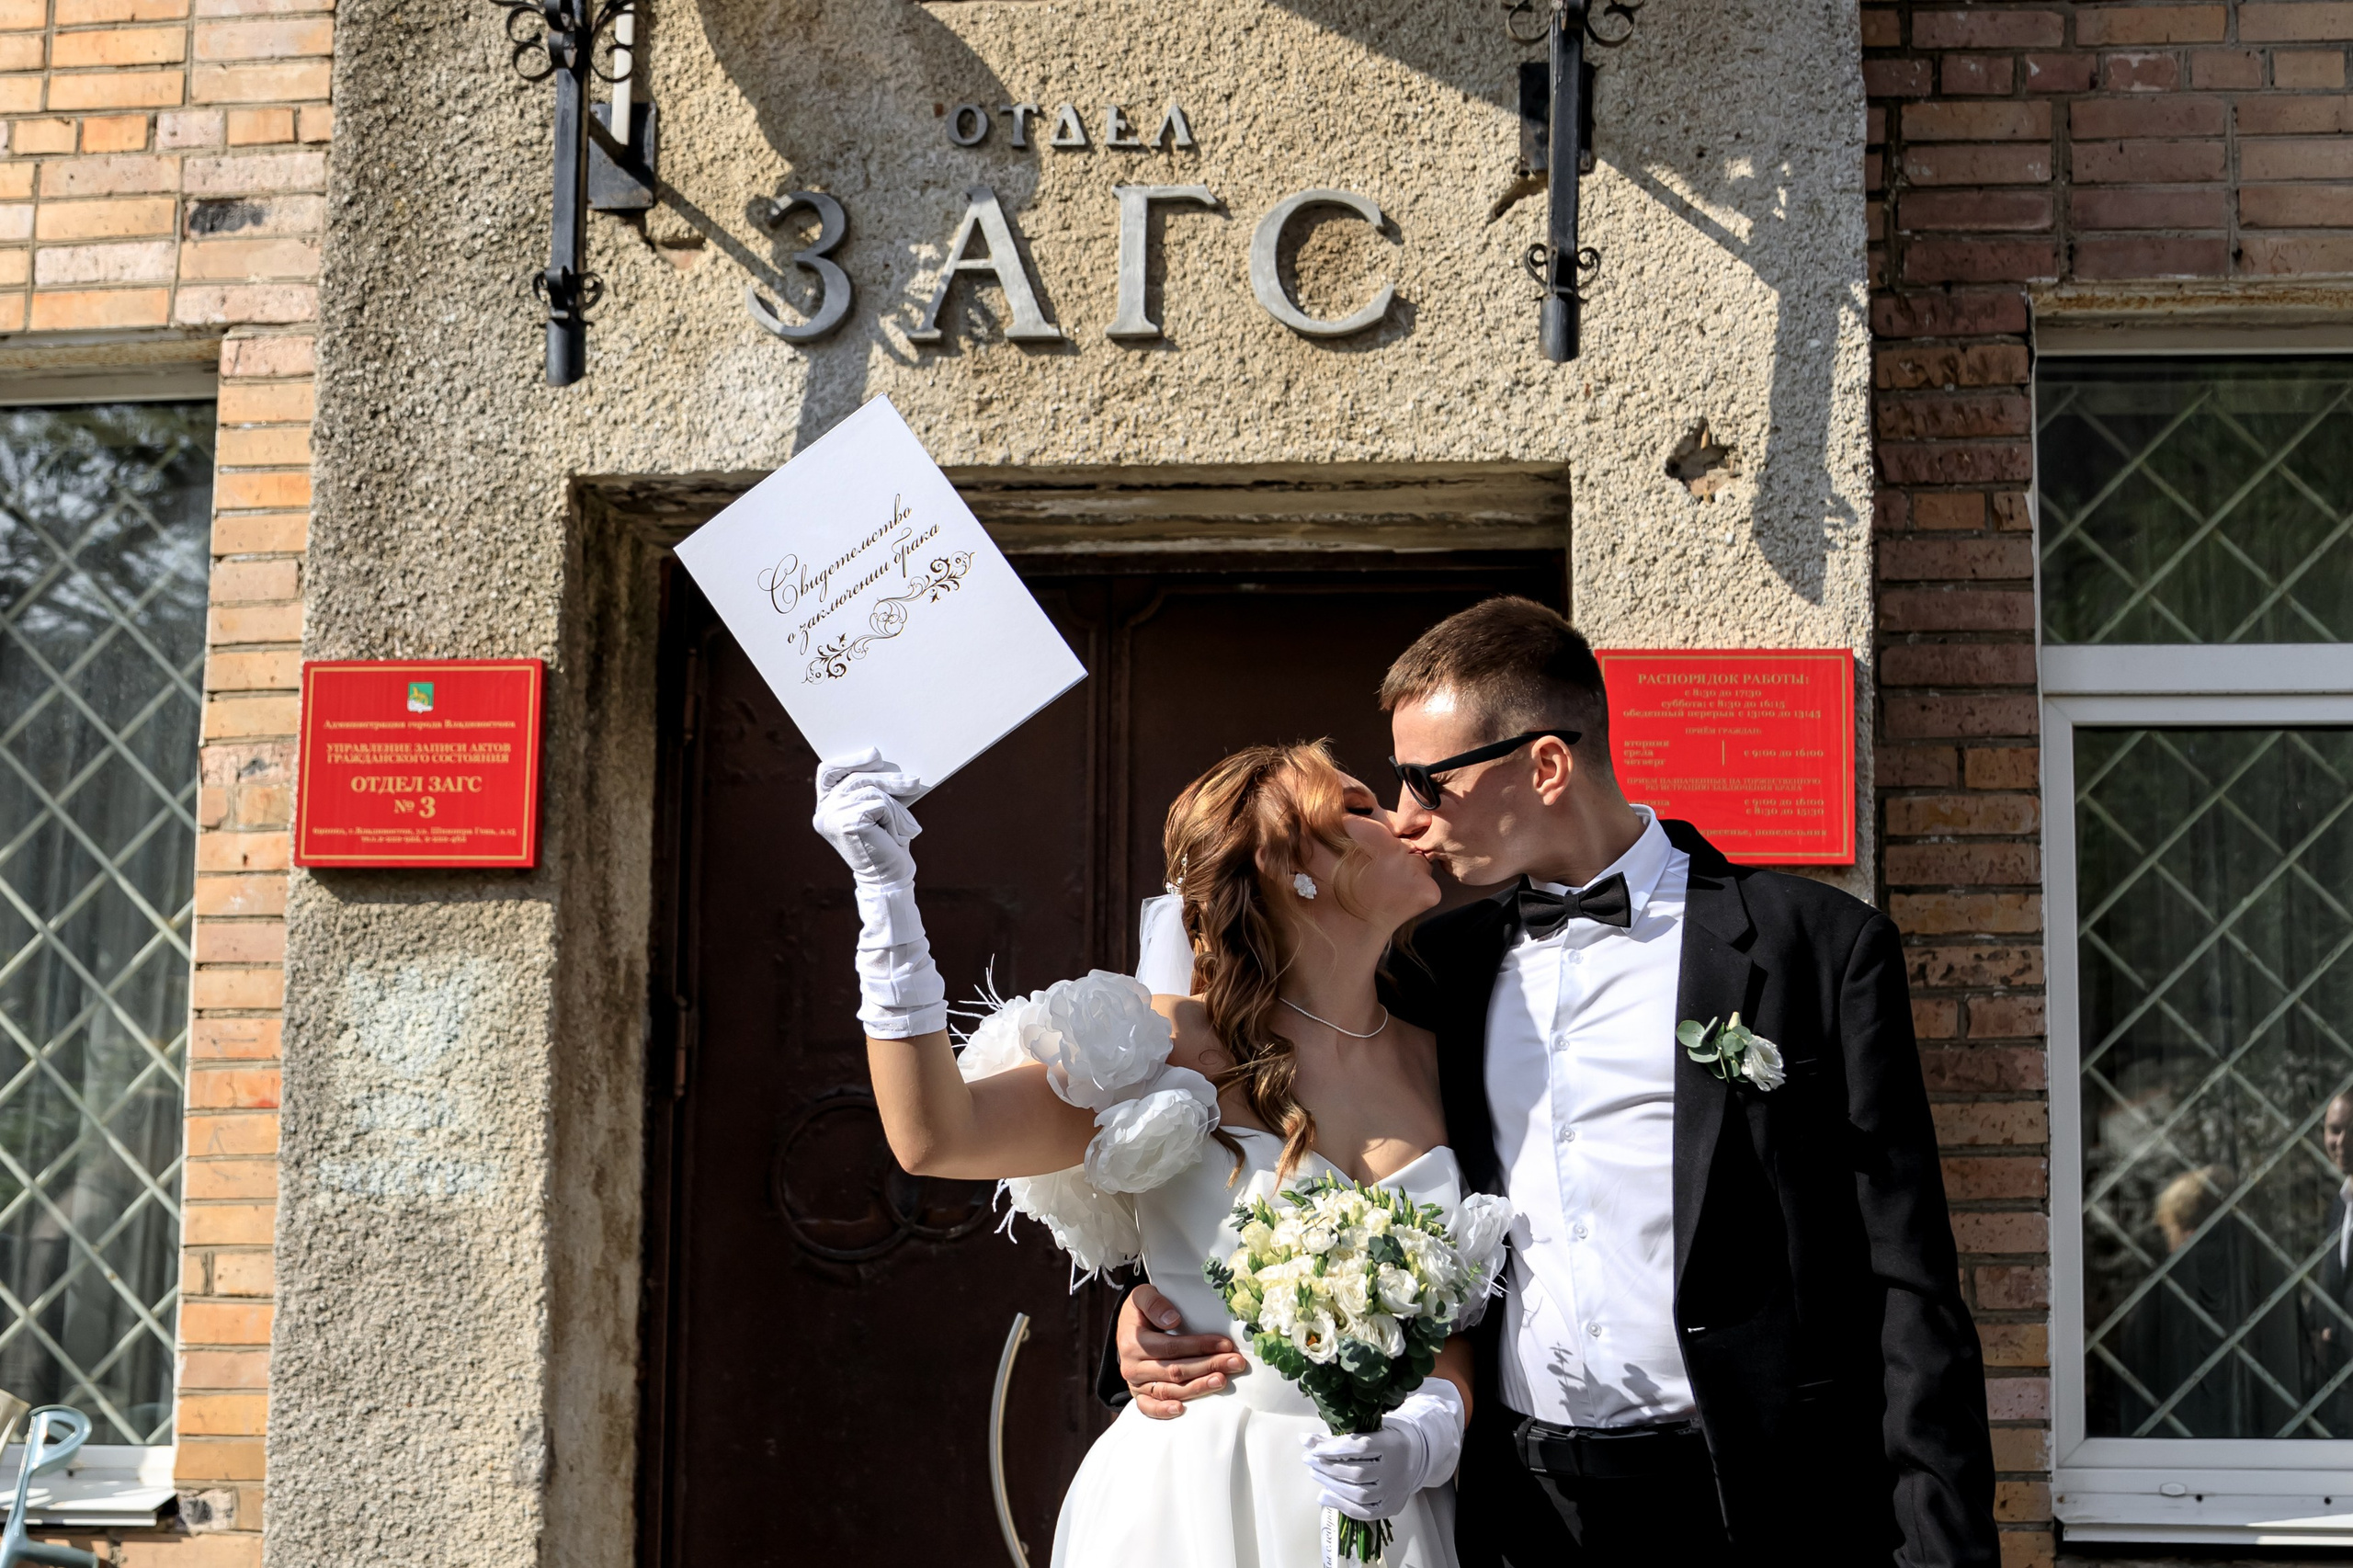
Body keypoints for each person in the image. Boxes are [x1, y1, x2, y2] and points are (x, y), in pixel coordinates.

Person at [1112, 597, 2001, 1568]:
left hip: (1765, 1499)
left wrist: (1945, 1548)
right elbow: (1262, 1097)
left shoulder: (1817, 949)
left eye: (1428, 781)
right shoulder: (1430, 970)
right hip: (1521, 1512)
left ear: (1544, 766)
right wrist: (1153, 1307)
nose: (1406, 818)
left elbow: (1909, 1280)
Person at [812, 738, 1510, 1568]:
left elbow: (1464, 1318)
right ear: (1288, 866)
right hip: (1195, 1498)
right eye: (1358, 808)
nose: (1401, 819)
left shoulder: (1449, 1055)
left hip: (1387, 1508)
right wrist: (886, 895)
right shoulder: (1167, 1045)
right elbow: (936, 1135)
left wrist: (1430, 1429)